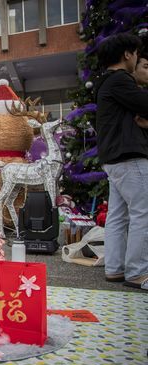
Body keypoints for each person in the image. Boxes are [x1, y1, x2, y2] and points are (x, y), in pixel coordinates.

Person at [95, 33, 148, 290]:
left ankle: (115, 268)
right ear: (127, 54)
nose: (137, 58)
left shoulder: (107, 83)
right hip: (129, 157)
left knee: (118, 215)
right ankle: (138, 272)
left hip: (114, 159)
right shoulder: (120, 81)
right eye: (136, 54)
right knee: (143, 213)